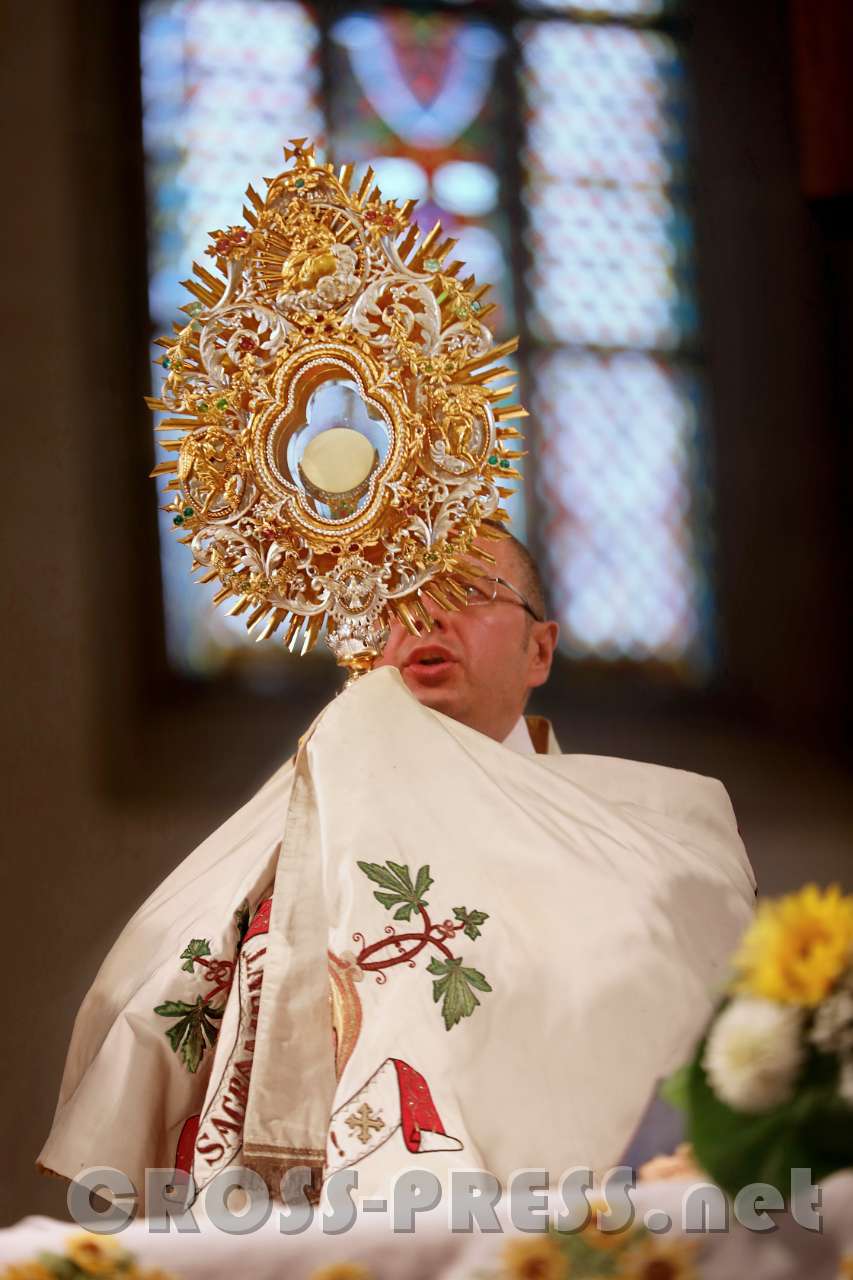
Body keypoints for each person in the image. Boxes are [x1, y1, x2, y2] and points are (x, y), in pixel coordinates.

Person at [38, 531, 757, 1213]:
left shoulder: (662, 828)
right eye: (396, 594)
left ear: (540, 650)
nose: (426, 615)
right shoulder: (287, 840)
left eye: (470, 589)